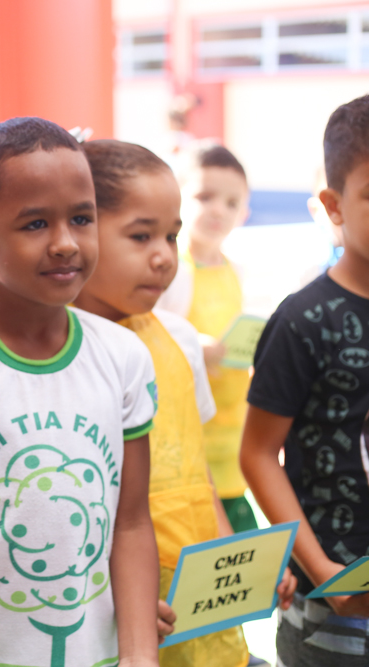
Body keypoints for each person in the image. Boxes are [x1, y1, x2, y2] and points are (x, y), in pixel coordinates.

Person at [0, 118, 160, 667]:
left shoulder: (123, 358)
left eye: (81, 218)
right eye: (35, 223)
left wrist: (141, 655)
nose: (65, 243)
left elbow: (132, 522)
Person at [76, 139, 259, 667]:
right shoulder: (65, 352)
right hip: (121, 613)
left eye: (171, 236)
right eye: (140, 236)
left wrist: (235, 566)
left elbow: (196, 474)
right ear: (82, 230)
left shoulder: (178, 338)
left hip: (202, 602)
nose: (163, 256)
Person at [241, 94, 369, 667]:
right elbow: (259, 454)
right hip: (333, 608)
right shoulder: (302, 318)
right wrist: (323, 572)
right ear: (334, 205)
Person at [155, 144, 256, 534]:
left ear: (243, 212)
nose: (218, 210)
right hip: (189, 438)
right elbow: (154, 331)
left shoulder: (236, 271)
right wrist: (197, 346)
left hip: (232, 435)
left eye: (231, 203)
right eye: (204, 197)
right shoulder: (173, 269)